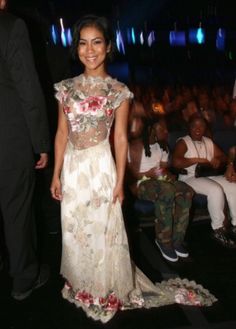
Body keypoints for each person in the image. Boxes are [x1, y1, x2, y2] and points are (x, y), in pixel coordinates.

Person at [50, 14, 216, 323]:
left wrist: (120, 182)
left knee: (102, 230)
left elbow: (122, 139)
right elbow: (61, 134)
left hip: (101, 168)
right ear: (76, 48)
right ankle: (82, 284)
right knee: (75, 230)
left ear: (108, 47)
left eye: (96, 42)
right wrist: (56, 173)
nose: (89, 50)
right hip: (73, 169)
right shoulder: (66, 89)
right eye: (83, 43)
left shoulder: (118, 91)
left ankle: (103, 289)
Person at [0, 0, 51, 300]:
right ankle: (23, 279)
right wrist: (40, 143)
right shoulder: (10, 26)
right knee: (17, 211)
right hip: (9, 142)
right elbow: (29, 90)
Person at [127, 117, 194, 262]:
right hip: (141, 184)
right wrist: (148, 174)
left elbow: (163, 170)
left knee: (186, 191)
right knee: (167, 191)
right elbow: (131, 176)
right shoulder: (135, 146)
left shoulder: (162, 146)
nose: (166, 131)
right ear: (151, 130)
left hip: (159, 182)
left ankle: (177, 239)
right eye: (162, 129)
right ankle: (163, 240)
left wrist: (168, 176)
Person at [172, 113, 236, 248]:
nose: (198, 128)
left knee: (233, 185)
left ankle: (235, 224)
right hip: (189, 178)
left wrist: (219, 160)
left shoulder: (208, 141)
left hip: (208, 176)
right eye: (194, 125)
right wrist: (196, 160)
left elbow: (223, 157)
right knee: (215, 189)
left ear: (205, 128)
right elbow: (176, 162)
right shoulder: (183, 142)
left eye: (201, 126)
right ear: (189, 127)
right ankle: (218, 229)